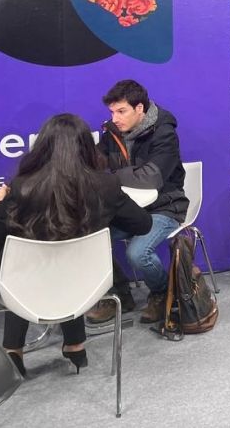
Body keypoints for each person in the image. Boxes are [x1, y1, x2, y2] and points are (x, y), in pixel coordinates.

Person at [0, 114, 151, 376]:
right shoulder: (106, 185)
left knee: (17, 264)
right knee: (64, 263)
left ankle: (13, 350)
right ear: (86, 146)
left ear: (42, 147)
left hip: (27, 287)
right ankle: (75, 344)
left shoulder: (23, 187)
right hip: (87, 286)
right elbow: (143, 224)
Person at [86, 80, 189, 325]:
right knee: (88, 236)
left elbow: (151, 177)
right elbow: (94, 161)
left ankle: (161, 293)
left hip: (165, 206)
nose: (115, 118)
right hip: (128, 208)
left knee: (137, 253)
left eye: (121, 111)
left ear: (139, 108)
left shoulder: (164, 133)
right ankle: (119, 294)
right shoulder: (113, 132)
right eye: (112, 112)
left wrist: (112, 178)